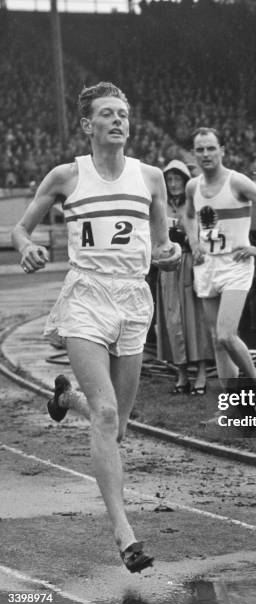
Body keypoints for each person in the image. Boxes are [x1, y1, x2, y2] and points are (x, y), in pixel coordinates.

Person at [11, 82, 181, 573]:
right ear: (87, 125)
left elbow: (163, 247)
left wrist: (169, 257)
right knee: (106, 415)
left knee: (118, 425)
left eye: (123, 113)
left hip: (133, 297)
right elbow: (22, 228)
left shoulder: (150, 178)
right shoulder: (67, 176)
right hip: (85, 294)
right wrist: (26, 247)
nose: (118, 121)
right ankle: (125, 534)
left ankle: (66, 400)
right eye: (107, 114)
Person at [182, 127, 256, 398]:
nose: (206, 154)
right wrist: (194, 242)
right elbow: (189, 216)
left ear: (222, 151)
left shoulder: (237, 182)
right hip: (206, 266)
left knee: (227, 334)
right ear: (194, 154)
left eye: (211, 148)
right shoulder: (193, 185)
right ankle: (232, 406)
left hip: (235, 264)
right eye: (200, 149)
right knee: (218, 342)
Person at [155, 159, 213, 395]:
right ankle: (181, 374)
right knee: (172, 320)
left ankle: (200, 374)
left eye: (177, 179)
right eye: (169, 180)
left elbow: (210, 232)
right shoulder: (159, 205)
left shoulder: (197, 203)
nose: (173, 184)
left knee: (195, 319)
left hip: (191, 264)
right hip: (168, 267)